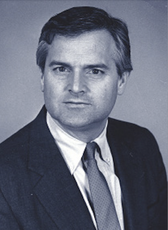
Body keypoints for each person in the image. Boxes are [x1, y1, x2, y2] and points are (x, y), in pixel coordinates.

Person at [0, 6, 167, 230]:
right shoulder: (5, 175)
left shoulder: (142, 143)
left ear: (121, 80)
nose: (76, 87)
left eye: (94, 71)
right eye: (61, 69)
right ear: (42, 77)